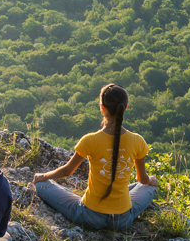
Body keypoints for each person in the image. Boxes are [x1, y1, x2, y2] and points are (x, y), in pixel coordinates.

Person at [32, 83, 157, 230]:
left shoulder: (90, 140)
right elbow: (142, 179)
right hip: (122, 220)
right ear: (126, 107)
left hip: (90, 216)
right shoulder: (137, 141)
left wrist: (43, 176)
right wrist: (151, 180)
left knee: (42, 185)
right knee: (148, 187)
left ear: (102, 107)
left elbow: (67, 171)